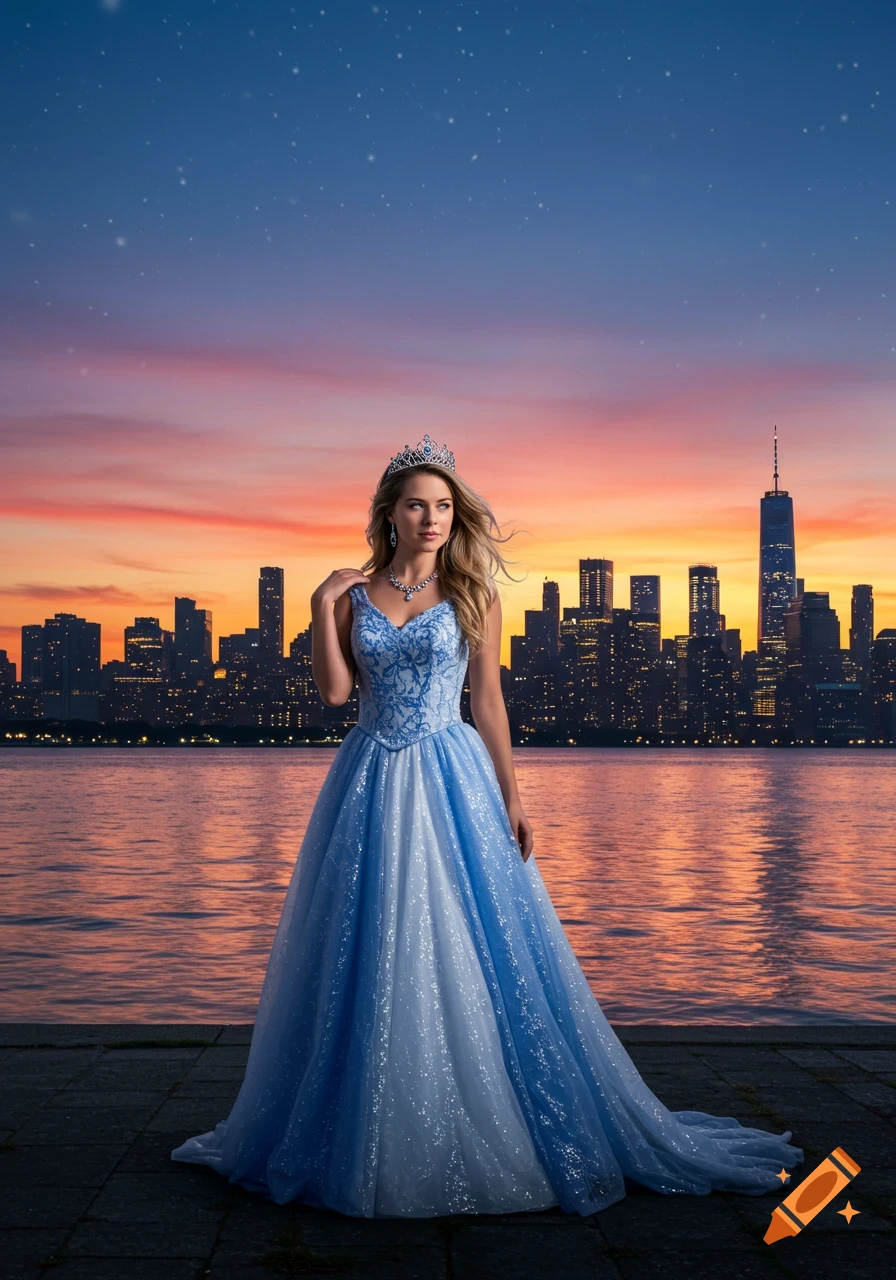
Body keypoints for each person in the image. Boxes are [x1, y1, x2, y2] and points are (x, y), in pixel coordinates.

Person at [171, 434, 803, 1218]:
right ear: (389, 513)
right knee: (360, 939)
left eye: (443, 506)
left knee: (471, 936)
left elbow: (490, 702)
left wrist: (513, 795)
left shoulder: (473, 594)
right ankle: (357, 1117)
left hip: (451, 771)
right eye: (416, 505)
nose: (432, 518)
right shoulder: (355, 595)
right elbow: (335, 696)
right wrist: (318, 606)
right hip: (369, 773)